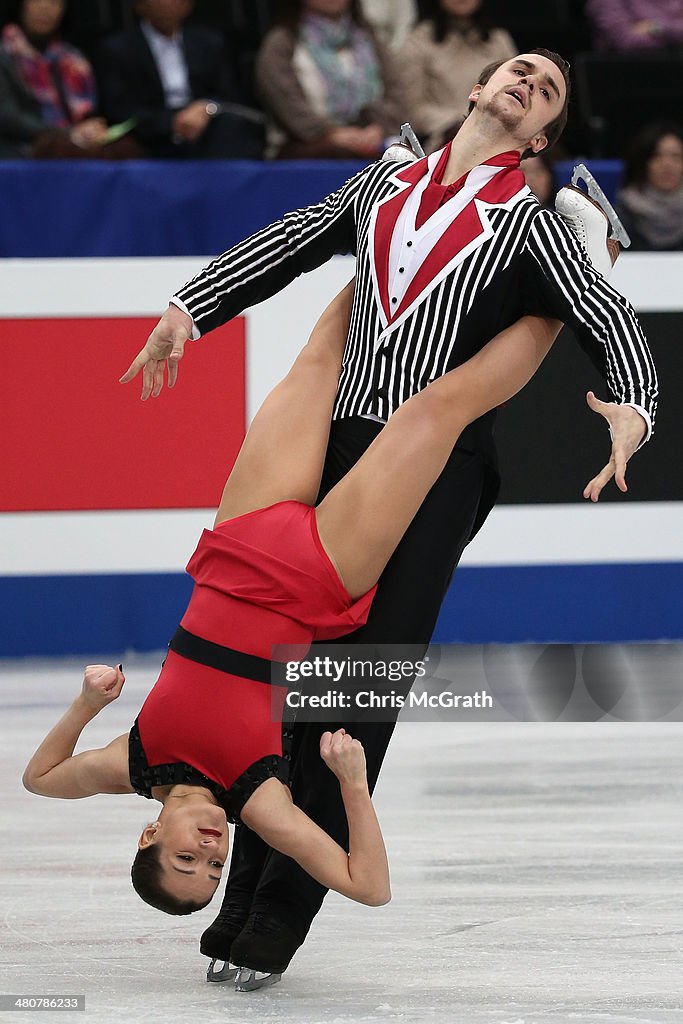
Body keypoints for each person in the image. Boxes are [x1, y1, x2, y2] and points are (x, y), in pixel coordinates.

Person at [120, 49, 658, 983]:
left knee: (351, 694)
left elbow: (608, 320)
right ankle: (243, 890)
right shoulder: (384, 184)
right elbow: (289, 237)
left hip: (438, 472)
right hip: (338, 447)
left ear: (538, 137)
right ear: (476, 91)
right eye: (519, 70)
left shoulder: (533, 230)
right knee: (280, 683)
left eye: (549, 92)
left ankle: (277, 917)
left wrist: (631, 405)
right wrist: (188, 310)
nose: (529, 82)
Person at [24, 285, 563, 926]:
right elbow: (369, 885)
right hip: (321, 571)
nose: (210, 852)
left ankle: (380, 214)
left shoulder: (133, 761)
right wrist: (355, 787)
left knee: (318, 354)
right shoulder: (256, 799)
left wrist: (87, 705)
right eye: (216, 869)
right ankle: (569, 275)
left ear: (149, 837)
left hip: (237, 545)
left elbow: (40, 777)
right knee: (437, 409)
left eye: (186, 860)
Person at [94, 0, 263, 160]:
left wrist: (206, 108)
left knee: (235, 130)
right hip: (151, 131)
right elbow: (119, 109)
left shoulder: (210, 43)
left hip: (205, 125)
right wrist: (170, 123)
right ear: (140, 5)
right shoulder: (117, 49)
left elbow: (230, 96)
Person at [254, 0, 405, 159]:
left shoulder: (369, 38)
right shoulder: (281, 43)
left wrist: (379, 129)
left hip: (374, 144)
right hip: (307, 153)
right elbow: (285, 102)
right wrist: (330, 134)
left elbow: (397, 95)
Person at [0, 0, 131, 159]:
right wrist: (68, 133)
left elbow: (89, 112)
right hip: (24, 147)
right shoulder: (5, 55)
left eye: (54, 2)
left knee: (126, 148)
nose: (45, 7)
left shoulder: (73, 58)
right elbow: (8, 117)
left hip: (76, 141)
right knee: (60, 149)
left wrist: (91, 131)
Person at [399, 0, 516, 153]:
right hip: (442, 140)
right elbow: (411, 108)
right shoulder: (418, 40)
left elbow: (514, 96)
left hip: (498, 137)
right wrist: (462, 123)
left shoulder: (499, 41)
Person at [616, 121, 683, 250]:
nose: (667, 164)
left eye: (676, 156)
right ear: (643, 163)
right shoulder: (622, 216)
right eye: (657, 156)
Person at [585, 0, 683, 51]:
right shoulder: (606, 2)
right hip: (626, 76)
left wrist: (656, 27)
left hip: (674, 69)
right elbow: (625, 40)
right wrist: (674, 37)